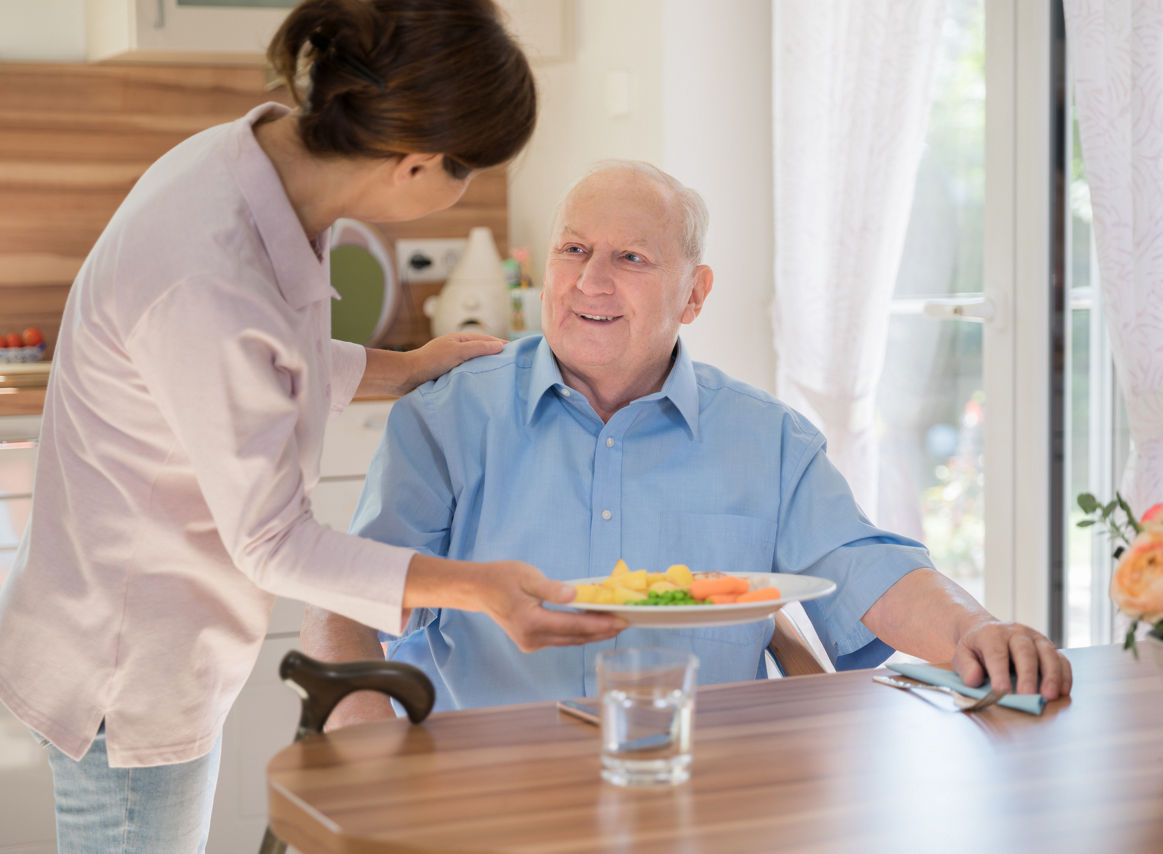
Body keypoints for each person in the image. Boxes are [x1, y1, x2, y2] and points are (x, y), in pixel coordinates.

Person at [0, 2, 625, 850]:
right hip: (126, 662)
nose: (463, 191)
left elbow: (260, 360)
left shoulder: (260, 169)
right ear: (414, 165)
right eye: (465, 171)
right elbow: (273, 542)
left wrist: (402, 365)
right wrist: (479, 587)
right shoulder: (205, 272)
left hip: (159, 633)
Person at [302, 160, 1073, 724]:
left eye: (630, 258)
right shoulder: (446, 417)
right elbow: (351, 593)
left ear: (694, 294)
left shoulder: (765, 438)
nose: (590, 282)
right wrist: (361, 731)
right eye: (574, 250)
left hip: (704, 787)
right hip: (486, 782)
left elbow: (870, 568)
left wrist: (977, 631)